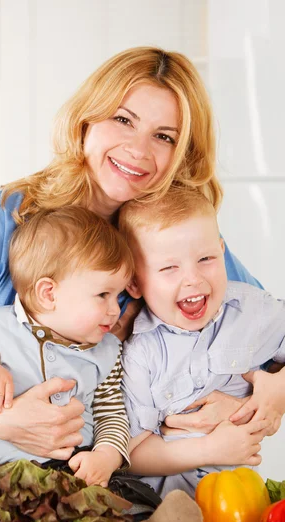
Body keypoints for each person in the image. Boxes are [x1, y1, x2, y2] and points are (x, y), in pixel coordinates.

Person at [0, 46, 280, 460]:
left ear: (182, 154)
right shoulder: (3, 222)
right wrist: (0, 420)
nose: (139, 150)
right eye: (123, 120)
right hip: (24, 494)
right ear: (86, 120)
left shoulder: (177, 240)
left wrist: (264, 396)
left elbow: (268, 333)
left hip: (145, 499)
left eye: (164, 136)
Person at [0, 205, 134, 487]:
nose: (114, 310)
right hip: (4, 479)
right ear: (49, 293)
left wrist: (107, 456)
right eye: (103, 294)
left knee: (131, 506)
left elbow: (112, 413)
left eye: (117, 294)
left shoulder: (107, 351)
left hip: (77, 478)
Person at [119, 186, 285, 498]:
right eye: (169, 267)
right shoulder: (140, 353)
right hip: (154, 508)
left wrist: (279, 389)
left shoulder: (250, 311)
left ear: (222, 251)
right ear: (135, 282)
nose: (193, 279)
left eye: (206, 258)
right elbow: (130, 455)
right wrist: (207, 449)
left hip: (240, 502)